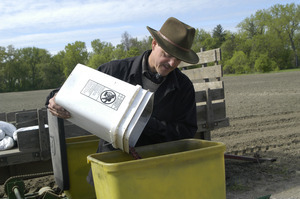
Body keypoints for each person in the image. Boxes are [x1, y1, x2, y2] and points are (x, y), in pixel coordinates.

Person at [46, 17, 199, 185]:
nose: (171, 63)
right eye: (167, 55)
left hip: (156, 171)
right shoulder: (115, 70)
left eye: (178, 59)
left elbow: (187, 131)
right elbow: (69, 89)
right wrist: (54, 99)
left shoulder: (183, 87)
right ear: (154, 44)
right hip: (111, 169)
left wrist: (144, 123)